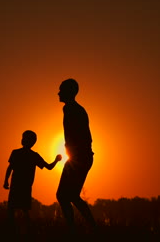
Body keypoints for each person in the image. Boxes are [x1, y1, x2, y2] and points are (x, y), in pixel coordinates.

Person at [56, 78, 97, 234]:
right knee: (70, 195)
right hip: (81, 156)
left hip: (80, 157)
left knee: (63, 195)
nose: (58, 92)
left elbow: (81, 136)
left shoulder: (71, 109)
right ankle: (90, 227)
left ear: (69, 92)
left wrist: (74, 153)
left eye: (61, 89)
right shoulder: (74, 109)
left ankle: (74, 230)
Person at [3, 130, 62, 234]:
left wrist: (56, 160)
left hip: (23, 187)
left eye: (26, 138)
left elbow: (48, 167)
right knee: (14, 210)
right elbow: (10, 167)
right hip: (17, 186)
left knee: (21, 210)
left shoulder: (31, 155)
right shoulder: (18, 153)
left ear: (31, 142)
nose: (23, 140)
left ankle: (24, 232)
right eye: (23, 138)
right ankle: (13, 231)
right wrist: (6, 181)